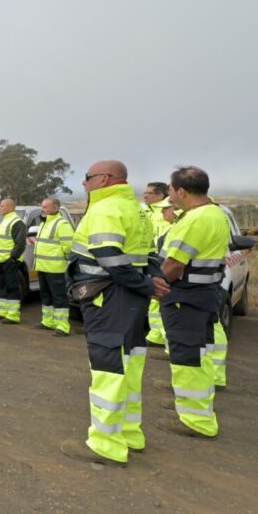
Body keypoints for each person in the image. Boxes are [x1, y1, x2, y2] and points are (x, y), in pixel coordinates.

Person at [60, 161, 158, 466]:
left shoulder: (106, 208)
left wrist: (144, 285)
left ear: (104, 179)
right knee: (129, 365)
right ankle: (129, 434)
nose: (84, 183)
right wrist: (147, 284)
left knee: (108, 365)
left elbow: (110, 257)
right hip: (129, 298)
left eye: (88, 177)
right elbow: (150, 254)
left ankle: (105, 444)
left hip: (109, 296)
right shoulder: (138, 209)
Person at [153, 166, 230, 440]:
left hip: (185, 296)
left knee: (187, 356)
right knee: (200, 353)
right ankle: (195, 406)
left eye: (171, 191)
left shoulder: (196, 219)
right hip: (203, 293)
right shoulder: (215, 213)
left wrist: (154, 287)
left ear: (182, 191)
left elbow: (174, 264)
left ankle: (195, 420)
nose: (170, 196)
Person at [34, 197, 75, 336]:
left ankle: (62, 326)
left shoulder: (62, 224)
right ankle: (48, 321)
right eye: (42, 206)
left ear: (56, 208)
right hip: (43, 266)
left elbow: (68, 247)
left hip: (55, 268)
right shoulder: (44, 223)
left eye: (45, 207)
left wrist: (64, 260)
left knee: (59, 297)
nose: (42, 209)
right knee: (46, 296)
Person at [142, 182, 173, 347]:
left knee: (163, 301)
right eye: (145, 192)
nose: (145, 196)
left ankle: (169, 342)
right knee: (154, 302)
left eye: (149, 193)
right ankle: (155, 335)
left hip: (164, 260)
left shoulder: (168, 211)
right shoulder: (145, 211)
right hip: (152, 260)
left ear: (160, 195)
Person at [0, 198, 26, 324]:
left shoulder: (17, 222)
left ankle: (13, 315)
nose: (0, 208)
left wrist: (12, 258)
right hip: (1, 259)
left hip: (10, 261)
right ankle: (4, 312)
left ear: (10, 207)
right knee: (3, 286)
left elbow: (20, 243)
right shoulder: (5, 220)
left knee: (12, 287)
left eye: (2, 206)